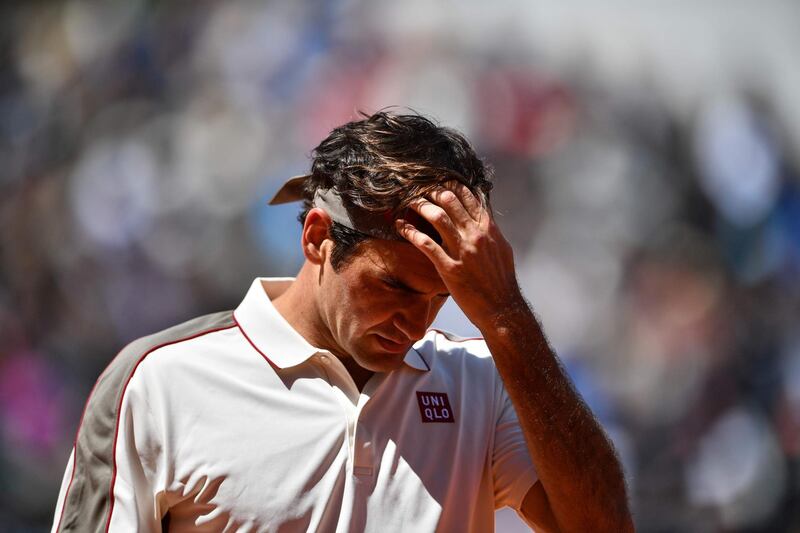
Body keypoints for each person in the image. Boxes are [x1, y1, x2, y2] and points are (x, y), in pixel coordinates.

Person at [51, 111, 633, 532]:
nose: (417, 319)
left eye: (441, 296)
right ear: (317, 239)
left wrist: (506, 315)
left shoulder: (481, 382)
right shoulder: (159, 382)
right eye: (394, 286)